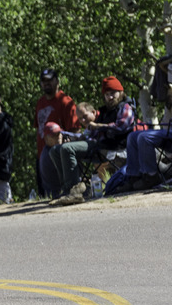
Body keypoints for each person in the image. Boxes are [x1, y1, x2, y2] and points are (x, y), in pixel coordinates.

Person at [49, 77, 136, 206]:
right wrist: (68, 136)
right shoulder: (105, 111)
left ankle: (75, 193)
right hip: (98, 146)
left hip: (114, 147)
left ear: (121, 92)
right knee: (54, 150)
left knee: (67, 149)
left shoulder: (126, 107)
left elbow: (122, 126)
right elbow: (89, 135)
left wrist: (100, 126)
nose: (110, 97)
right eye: (107, 94)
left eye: (113, 93)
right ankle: (68, 189)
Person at [34, 69, 79, 198]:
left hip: (59, 155)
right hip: (42, 154)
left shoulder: (66, 101)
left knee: (60, 193)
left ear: (57, 82)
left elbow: (75, 131)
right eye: (44, 81)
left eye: (50, 80)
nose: (46, 83)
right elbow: (39, 129)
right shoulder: (40, 102)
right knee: (46, 196)